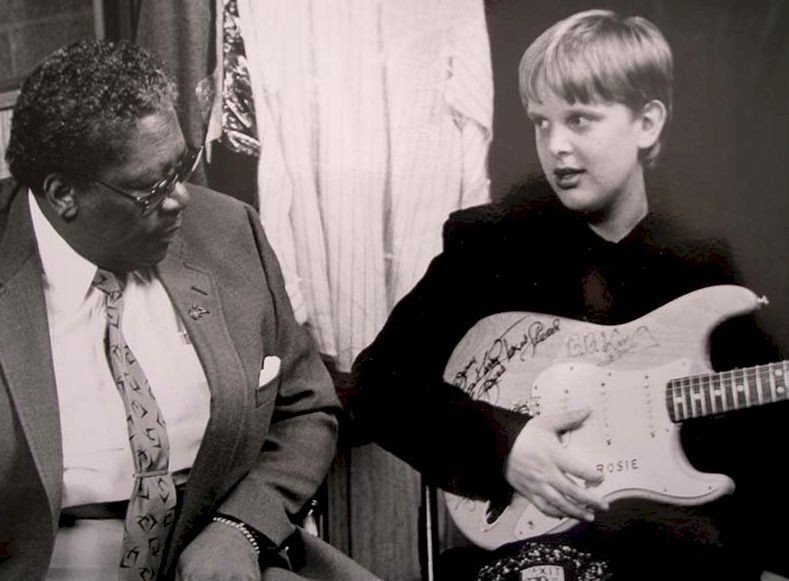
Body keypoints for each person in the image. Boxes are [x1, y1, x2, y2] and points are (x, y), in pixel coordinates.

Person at [351, 10, 787, 580]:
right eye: (541, 122)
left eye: (580, 119)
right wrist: (506, 445)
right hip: (527, 554)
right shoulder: (490, 245)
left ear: (647, 123)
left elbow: (770, 443)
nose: (555, 145)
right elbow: (378, 386)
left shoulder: (714, 261)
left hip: (681, 557)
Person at [0, 39, 377, 581]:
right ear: (63, 195)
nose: (180, 198)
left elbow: (306, 409)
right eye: (152, 187)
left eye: (181, 167)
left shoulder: (227, 232)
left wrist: (239, 527)